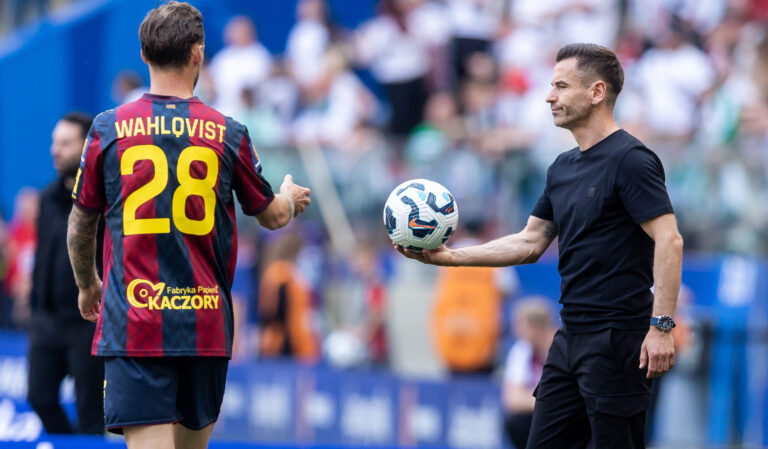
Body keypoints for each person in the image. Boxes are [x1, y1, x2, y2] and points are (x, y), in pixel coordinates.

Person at [396, 43, 684, 449]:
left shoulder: (631, 159)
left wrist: (662, 327)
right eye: (551, 86)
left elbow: (670, 240)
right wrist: (450, 258)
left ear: (597, 92)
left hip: (619, 339)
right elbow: (530, 242)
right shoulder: (562, 167)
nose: (549, 96)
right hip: (569, 337)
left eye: (561, 86)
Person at [66, 3, 311, 449]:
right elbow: (272, 216)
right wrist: (290, 200)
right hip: (204, 325)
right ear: (198, 54)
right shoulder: (228, 132)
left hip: (134, 324)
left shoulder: (108, 128)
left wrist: (88, 285)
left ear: (144, 55)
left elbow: (81, 223)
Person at [27, 112, 105, 435]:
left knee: (90, 413)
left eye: (64, 143)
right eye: (53, 143)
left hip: (87, 320)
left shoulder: (105, 198)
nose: (55, 150)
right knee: (39, 397)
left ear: (86, 147)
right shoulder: (46, 198)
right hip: (47, 320)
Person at [502, 296, 556, 449]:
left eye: (519, 324)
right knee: (515, 422)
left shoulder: (563, 348)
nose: (514, 330)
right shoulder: (521, 349)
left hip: (568, 416)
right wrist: (548, 402)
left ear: (535, 327)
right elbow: (512, 399)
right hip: (545, 411)